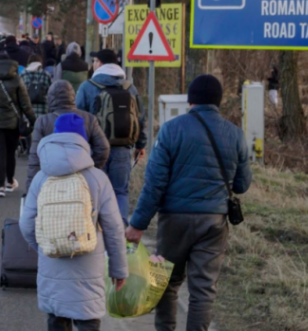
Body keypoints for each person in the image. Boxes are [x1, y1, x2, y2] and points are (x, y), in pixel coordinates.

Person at [127, 74, 253, 331]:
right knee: (203, 291)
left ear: (190, 100)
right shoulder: (236, 135)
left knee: (166, 281)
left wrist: (137, 224)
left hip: (175, 220)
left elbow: (155, 184)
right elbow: (241, 185)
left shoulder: (172, 129)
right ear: (219, 101)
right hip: (214, 222)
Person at [20, 114, 127, 331]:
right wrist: (118, 269)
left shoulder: (41, 177)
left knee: (57, 320)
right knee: (87, 321)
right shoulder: (97, 178)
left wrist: (45, 245)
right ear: (83, 140)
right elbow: (114, 228)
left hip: (53, 266)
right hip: (88, 268)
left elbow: (26, 223)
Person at [76, 49, 147, 226]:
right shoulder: (130, 87)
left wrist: (79, 147)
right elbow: (140, 118)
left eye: (94, 61)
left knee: (95, 191)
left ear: (99, 63)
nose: (93, 64)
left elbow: (78, 118)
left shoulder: (88, 86)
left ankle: (96, 232)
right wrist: (141, 144)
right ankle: (120, 232)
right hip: (122, 148)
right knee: (120, 192)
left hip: (95, 150)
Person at [27, 80, 109, 189]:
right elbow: (103, 148)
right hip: (81, 177)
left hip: (51, 178)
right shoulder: (89, 119)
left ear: (50, 98)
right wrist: (90, 166)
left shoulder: (43, 121)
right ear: (73, 96)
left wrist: (31, 186)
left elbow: (35, 158)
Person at [0, 53, 36, 197]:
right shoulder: (17, 79)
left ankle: (0, 187)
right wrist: (33, 119)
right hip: (12, 122)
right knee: (11, 152)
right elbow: (25, 103)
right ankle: (10, 181)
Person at [20, 54, 52, 118]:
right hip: (43, 111)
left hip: (28, 111)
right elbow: (50, 93)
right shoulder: (46, 74)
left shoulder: (23, 74)